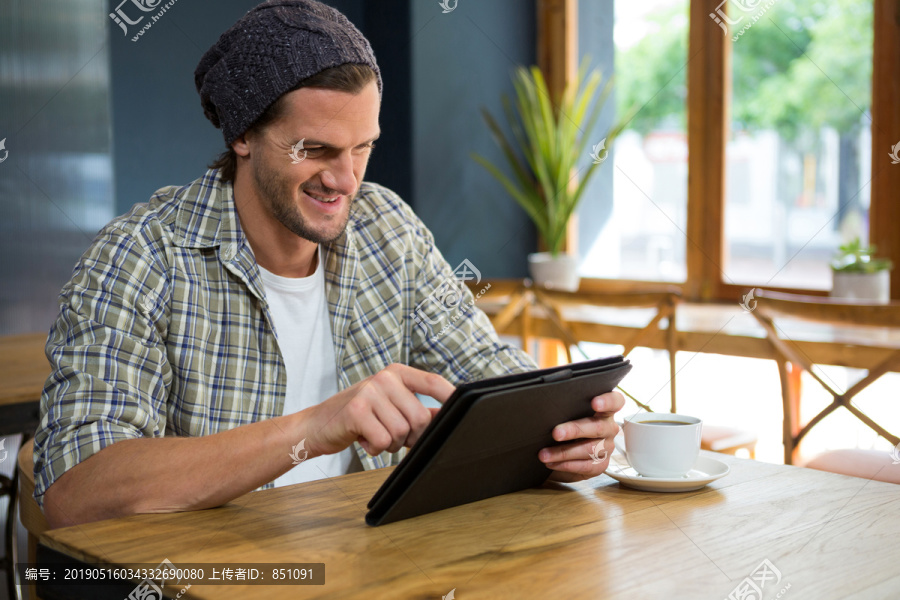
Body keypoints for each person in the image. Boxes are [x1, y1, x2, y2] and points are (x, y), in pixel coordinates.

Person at [33, 0, 624, 528]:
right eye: (314, 149)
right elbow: (76, 492)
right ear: (243, 135)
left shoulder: (386, 228)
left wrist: (566, 434)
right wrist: (314, 428)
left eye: (362, 147)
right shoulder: (139, 257)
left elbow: (493, 377)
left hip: (367, 568)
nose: (345, 181)